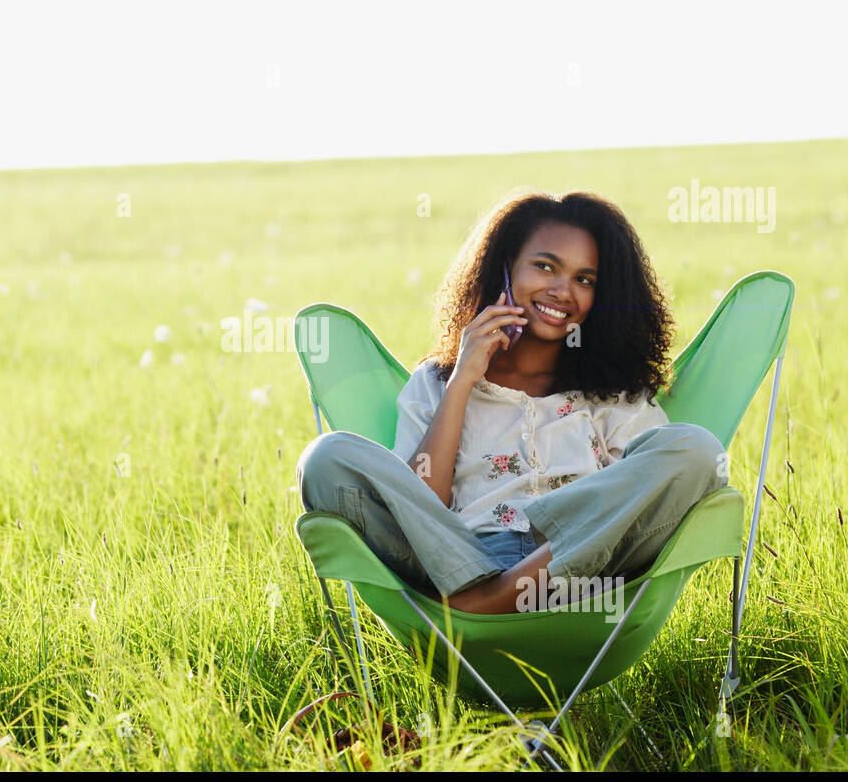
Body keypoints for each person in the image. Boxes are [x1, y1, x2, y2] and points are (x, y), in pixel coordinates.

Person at [295, 189, 729, 614]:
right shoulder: (437, 382)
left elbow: (630, 506)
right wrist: (463, 380)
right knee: (326, 457)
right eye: (545, 266)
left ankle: (488, 604)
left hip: (576, 578)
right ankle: (483, 591)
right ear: (504, 271)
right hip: (456, 563)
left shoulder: (617, 395)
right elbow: (419, 508)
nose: (563, 291)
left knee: (695, 450)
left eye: (584, 279)